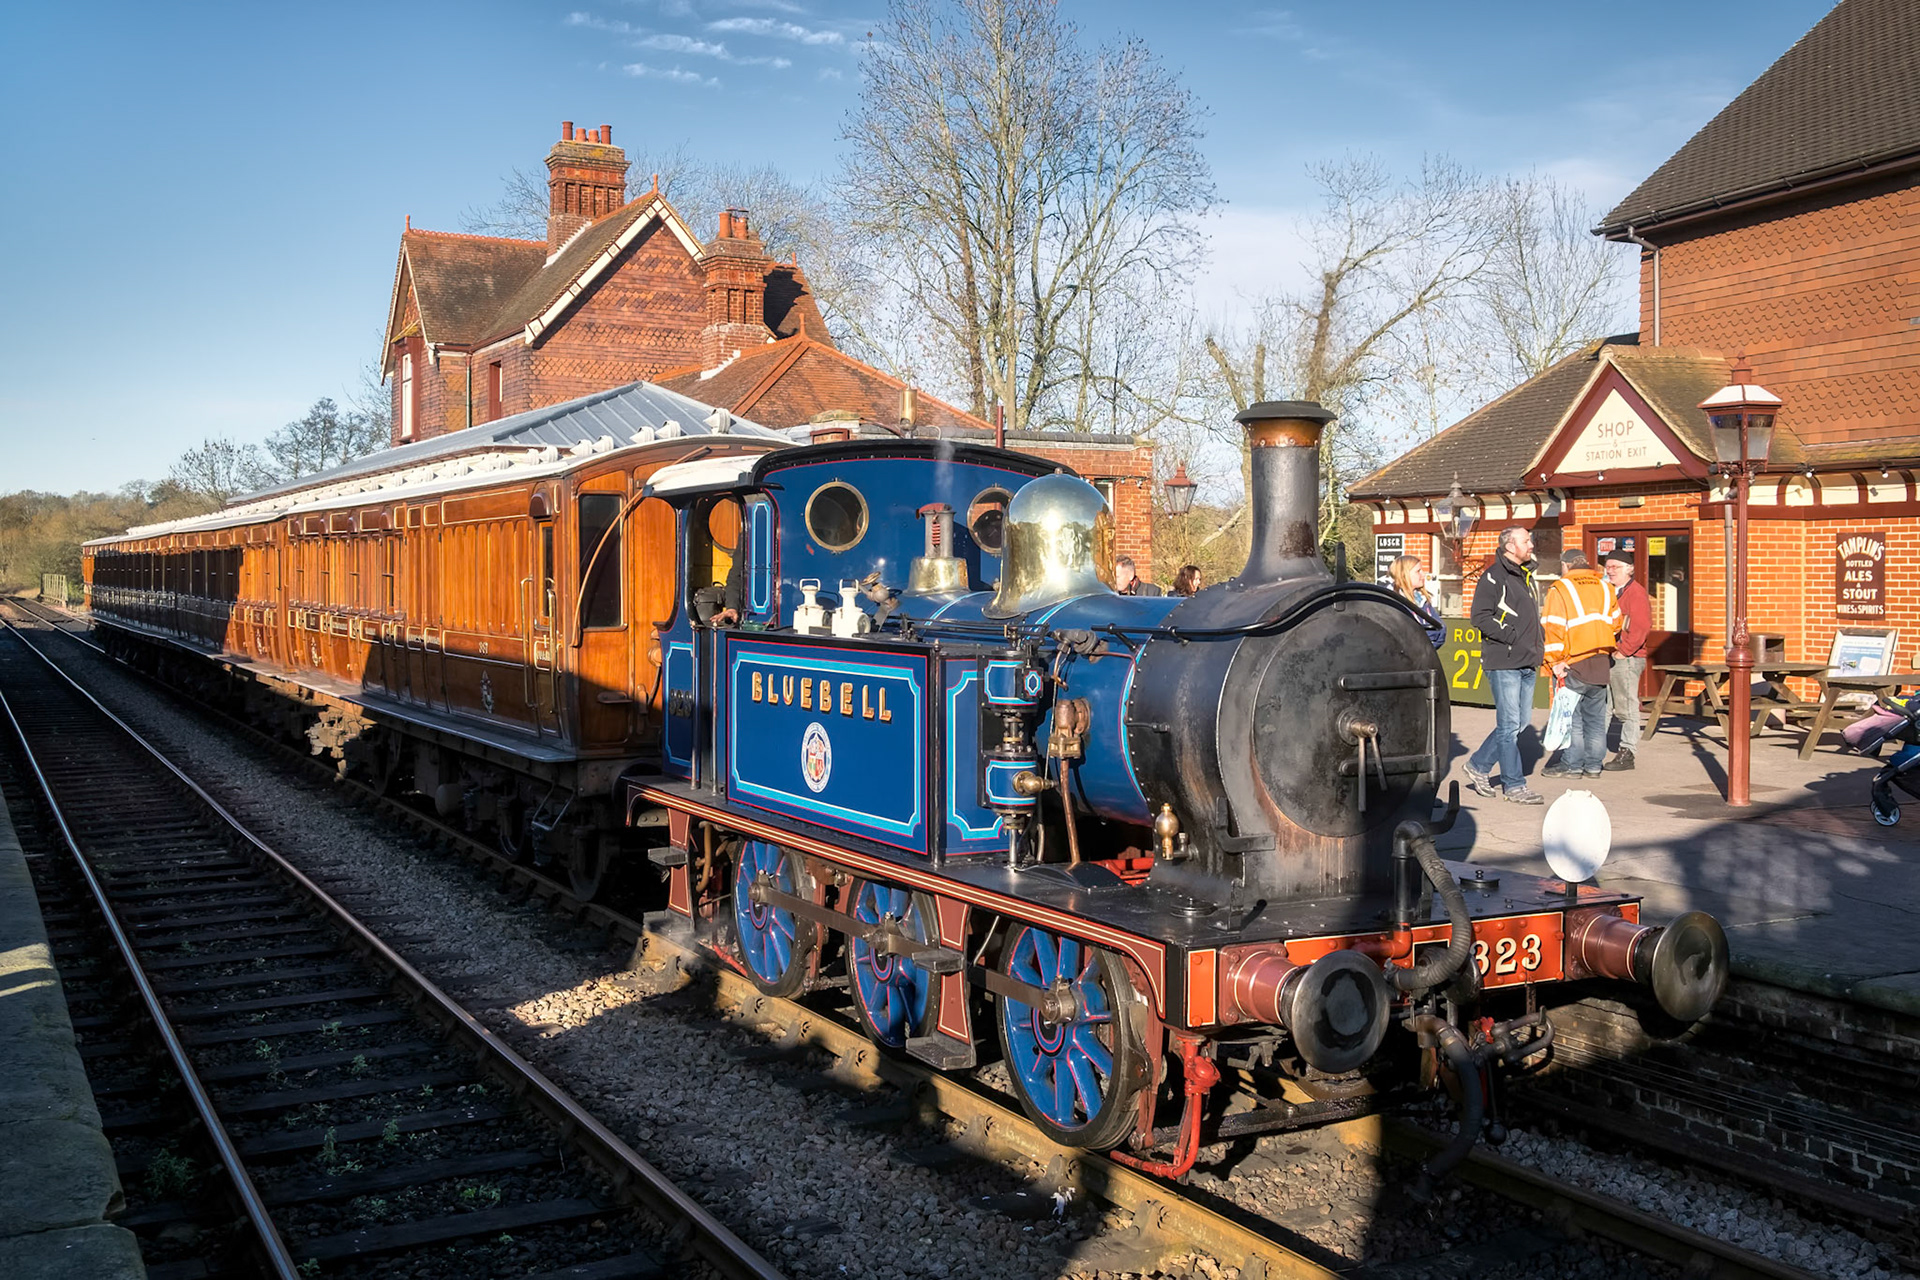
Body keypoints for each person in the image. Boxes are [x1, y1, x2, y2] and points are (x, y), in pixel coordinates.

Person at [1463, 527, 1546, 804]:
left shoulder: (1527, 576)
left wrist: (1536, 645)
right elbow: (1480, 617)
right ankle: (1514, 785)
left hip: (1526, 660)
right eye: (1526, 541)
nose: (1531, 545)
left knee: (1519, 723)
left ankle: (1478, 766)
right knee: (1509, 725)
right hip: (1504, 660)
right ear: (1510, 545)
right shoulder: (1493, 576)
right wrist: (1512, 636)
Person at [1540, 548, 1623, 779]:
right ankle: (1594, 766)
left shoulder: (1561, 588)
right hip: (1600, 662)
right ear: (1587, 564)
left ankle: (1573, 765)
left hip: (1573, 661)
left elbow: (1552, 627)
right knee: (1596, 720)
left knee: (1573, 719)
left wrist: (1554, 662)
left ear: (1565, 566)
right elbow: (1616, 624)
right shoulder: (1606, 588)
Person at [1603, 550, 1650, 770]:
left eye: (1615, 567)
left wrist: (1624, 650)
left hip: (1627, 659)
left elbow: (1640, 627)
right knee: (1606, 705)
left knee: (1627, 707)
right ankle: (1594, 750)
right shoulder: (1611, 591)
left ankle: (1627, 751)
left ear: (1629, 569)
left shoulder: (1635, 593)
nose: (1610, 571)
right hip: (1612, 657)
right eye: (1608, 566)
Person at [1388, 554, 1444, 649]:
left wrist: (1426, 646)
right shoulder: (1393, 601)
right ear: (1404, 575)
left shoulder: (1423, 600)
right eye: (1418, 571)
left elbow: (1441, 630)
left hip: (1424, 658)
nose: (1423, 574)